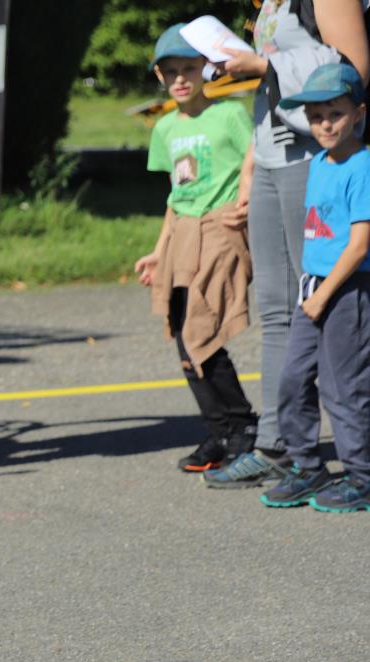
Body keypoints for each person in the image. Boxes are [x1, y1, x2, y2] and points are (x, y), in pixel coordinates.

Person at [205, 0, 369, 488]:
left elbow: (354, 70)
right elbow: (269, 91)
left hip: (312, 158)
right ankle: (279, 446)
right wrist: (250, 167)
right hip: (271, 158)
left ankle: (349, 459)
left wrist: (264, 65)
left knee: (327, 310)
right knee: (277, 308)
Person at [133, 27, 258, 473]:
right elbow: (177, 194)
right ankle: (220, 431)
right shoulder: (166, 127)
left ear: (205, 69)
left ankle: (243, 427)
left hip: (221, 228)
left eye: (189, 68)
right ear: (160, 76)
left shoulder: (229, 115)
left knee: (202, 331)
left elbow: (256, 163)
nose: (181, 79)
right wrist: (158, 250)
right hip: (182, 233)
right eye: (171, 71)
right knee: (184, 339)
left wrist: (247, 202)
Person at [259, 64, 370, 511]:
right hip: (314, 288)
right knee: (293, 378)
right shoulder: (319, 163)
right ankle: (307, 465)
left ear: (359, 113)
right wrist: (312, 289)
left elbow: (359, 244)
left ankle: (362, 476)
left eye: (335, 114)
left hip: (346, 289)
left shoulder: (363, 166)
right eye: (316, 116)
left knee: (343, 387)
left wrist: (324, 295)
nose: (325, 124)